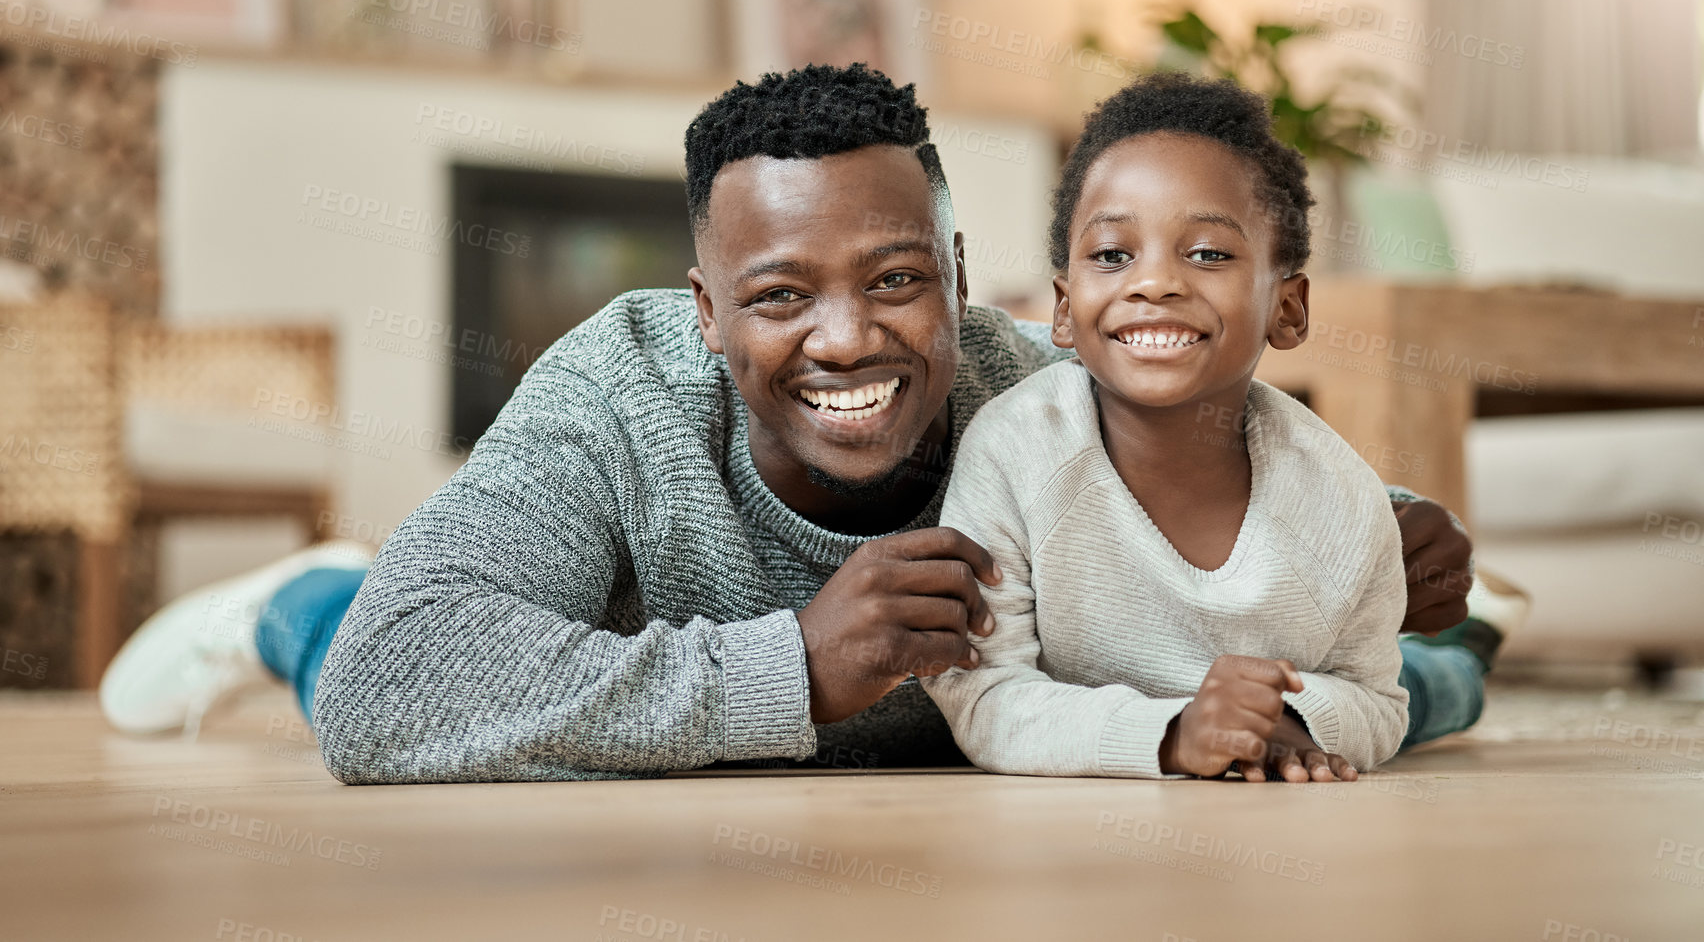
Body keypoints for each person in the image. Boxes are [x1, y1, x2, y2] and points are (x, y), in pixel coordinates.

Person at [97, 63, 1507, 782]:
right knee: (354, 639)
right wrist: (798, 668)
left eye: (897, 281)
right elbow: (389, 696)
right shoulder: (624, 390)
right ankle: (290, 598)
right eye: (780, 296)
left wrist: (1373, 546)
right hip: (586, 669)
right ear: (707, 312)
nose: (846, 338)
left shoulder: (1042, 391)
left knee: (1434, 689)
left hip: (1013, 721)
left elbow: (1228, 508)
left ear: (960, 282)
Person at [925, 73, 1425, 781]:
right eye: (1112, 255)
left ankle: (1472, 643)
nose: (1154, 282)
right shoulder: (1015, 451)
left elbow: (1377, 700)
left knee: (1438, 693)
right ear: (1064, 308)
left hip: (1291, 708)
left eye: (1209, 254)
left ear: (1288, 308)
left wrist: (1286, 720)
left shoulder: (1340, 495)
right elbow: (984, 696)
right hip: (1111, 781)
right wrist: (1171, 735)